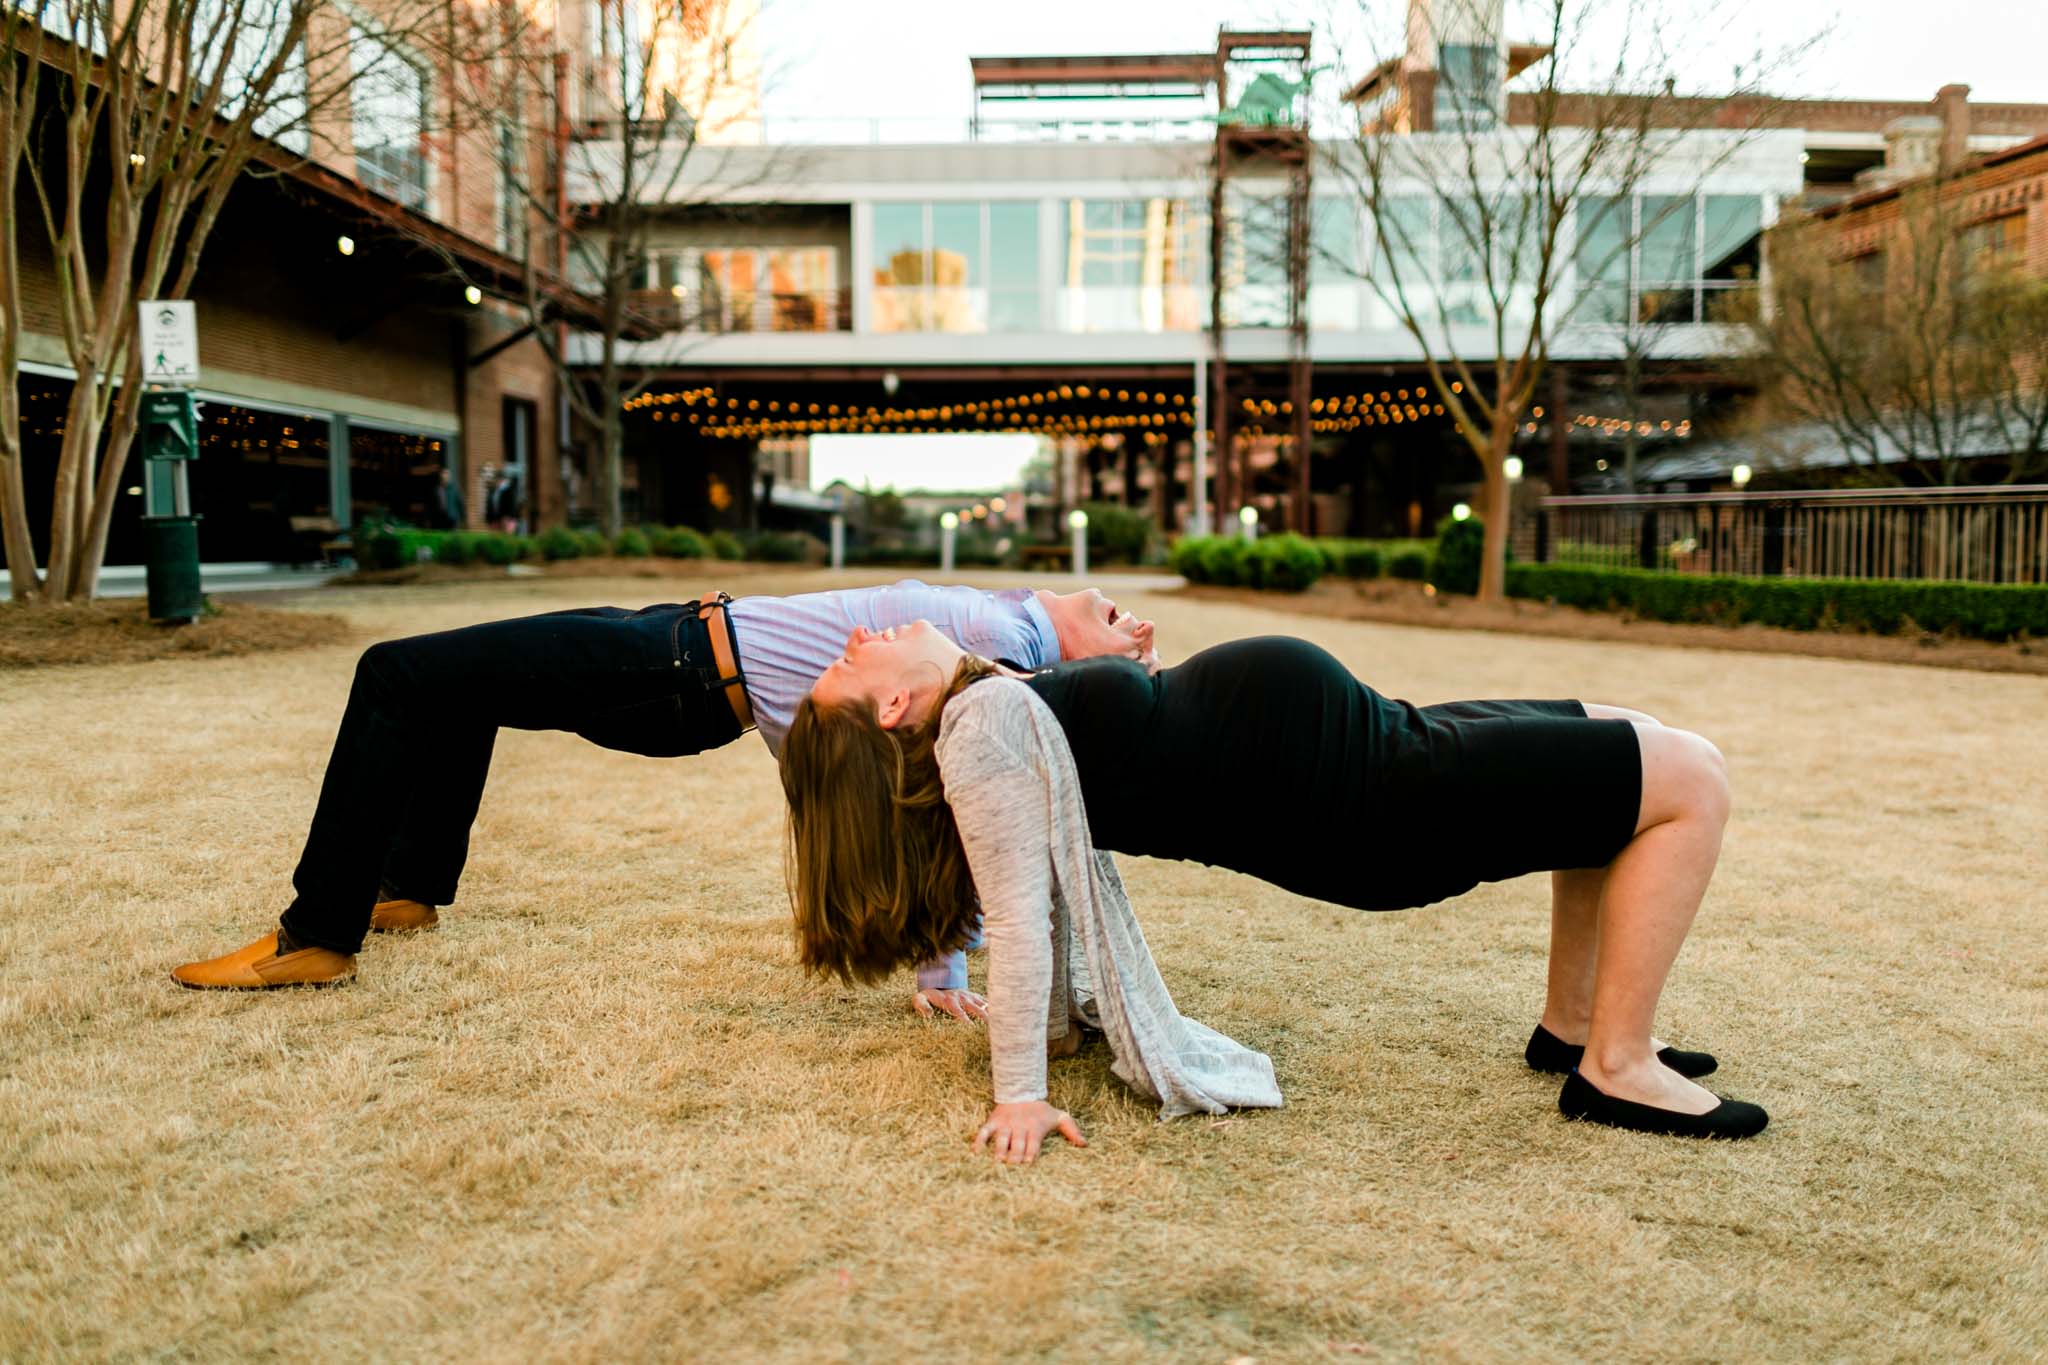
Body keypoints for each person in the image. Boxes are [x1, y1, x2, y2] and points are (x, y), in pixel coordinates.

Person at [778, 625, 1767, 1155]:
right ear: (894, 706)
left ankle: (1572, 1024)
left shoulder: (982, 708)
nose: (856, 632)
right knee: (1689, 782)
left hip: (1382, 743)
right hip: (1377, 805)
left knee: (1629, 736)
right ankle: (1615, 1066)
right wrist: (1019, 1096)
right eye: (844, 662)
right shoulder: (979, 733)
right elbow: (1022, 920)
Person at [171, 582, 1159, 1009]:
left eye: (1137, 648)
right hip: (677, 637)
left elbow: (952, 807)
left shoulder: (1007, 666)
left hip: (675, 672)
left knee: (398, 673)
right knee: (454, 681)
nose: (1140, 627)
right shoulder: (1019, 615)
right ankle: (408, 887)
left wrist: (946, 967)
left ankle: (318, 935)